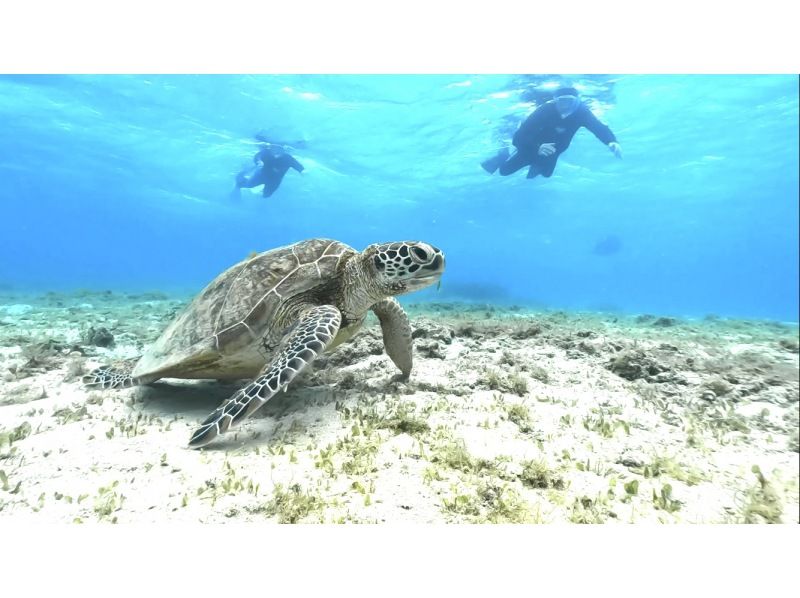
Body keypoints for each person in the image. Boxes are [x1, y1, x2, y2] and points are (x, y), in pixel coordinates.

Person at [481, 86, 622, 180]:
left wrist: (612, 141)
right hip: (530, 148)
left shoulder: (582, 112)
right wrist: (537, 147)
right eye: (560, 101)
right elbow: (519, 137)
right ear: (555, 101)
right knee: (504, 172)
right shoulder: (545, 110)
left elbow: (598, 128)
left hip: (554, 152)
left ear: (577, 102)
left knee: (545, 175)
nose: (563, 106)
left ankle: (534, 166)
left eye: (569, 101)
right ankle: (503, 154)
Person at [231, 137, 305, 199]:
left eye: (278, 149)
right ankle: (240, 179)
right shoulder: (266, 152)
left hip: (275, 180)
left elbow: (299, 167)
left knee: (266, 196)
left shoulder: (288, 158)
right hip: (261, 175)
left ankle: (259, 191)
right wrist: (259, 162)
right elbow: (257, 156)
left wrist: (302, 171)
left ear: (283, 150)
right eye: (273, 148)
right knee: (249, 185)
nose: (275, 151)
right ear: (271, 148)